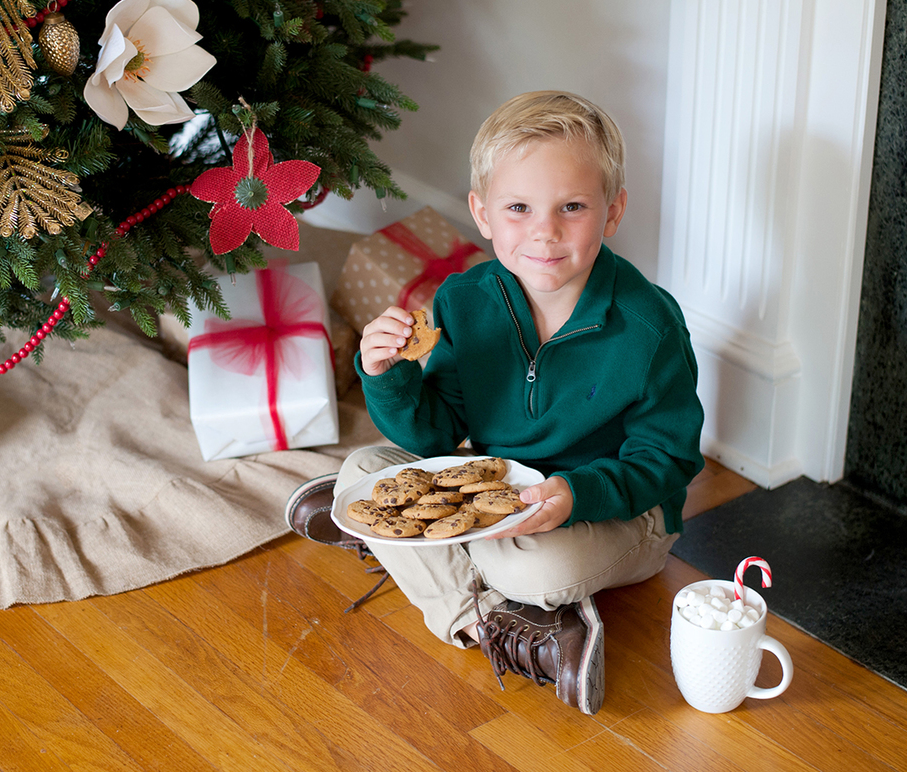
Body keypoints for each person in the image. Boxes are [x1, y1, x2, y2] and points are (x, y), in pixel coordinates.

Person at [285, 90, 705, 715]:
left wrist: (577, 496)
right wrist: (388, 375)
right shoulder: (466, 301)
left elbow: (667, 460)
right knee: (362, 474)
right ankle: (486, 625)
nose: (544, 231)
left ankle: (423, 555)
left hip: (619, 513)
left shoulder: (649, 326)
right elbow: (434, 437)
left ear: (612, 212)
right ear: (482, 213)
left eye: (573, 207)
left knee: (531, 569)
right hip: (503, 499)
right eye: (518, 207)